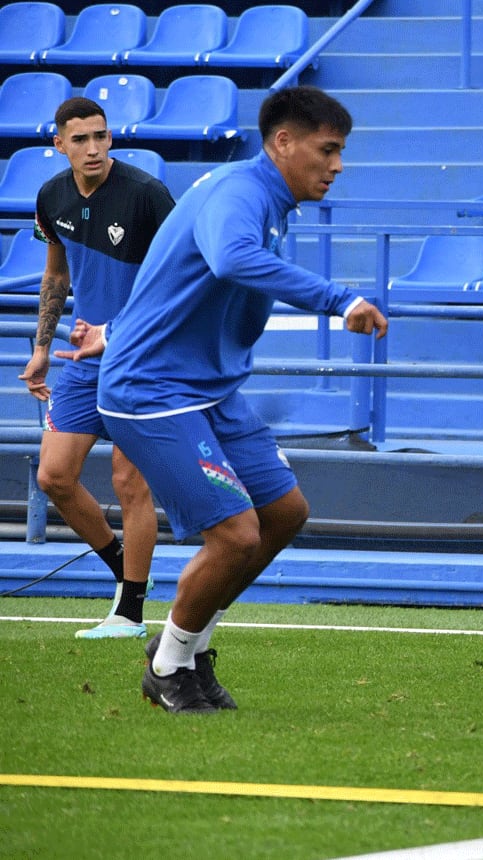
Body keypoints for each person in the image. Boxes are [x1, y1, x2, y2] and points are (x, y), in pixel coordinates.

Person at [60, 86, 388, 714]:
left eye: (341, 152)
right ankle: (167, 665)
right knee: (236, 535)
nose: (337, 165)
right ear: (283, 142)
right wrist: (338, 298)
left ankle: (188, 648)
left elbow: (172, 277)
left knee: (284, 513)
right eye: (328, 150)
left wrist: (115, 329)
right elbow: (233, 259)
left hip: (208, 389)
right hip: (150, 391)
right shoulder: (241, 193)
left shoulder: (261, 197)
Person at [19, 97, 173, 639]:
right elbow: (56, 275)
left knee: (129, 481)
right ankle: (126, 568)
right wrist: (41, 347)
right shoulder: (50, 196)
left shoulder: (148, 195)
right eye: (80, 139)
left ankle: (130, 613)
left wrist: (125, 333)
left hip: (142, 356)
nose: (93, 148)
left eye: (101, 136)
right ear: (58, 143)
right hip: (82, 356)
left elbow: (181, 278)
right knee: (53, 476)